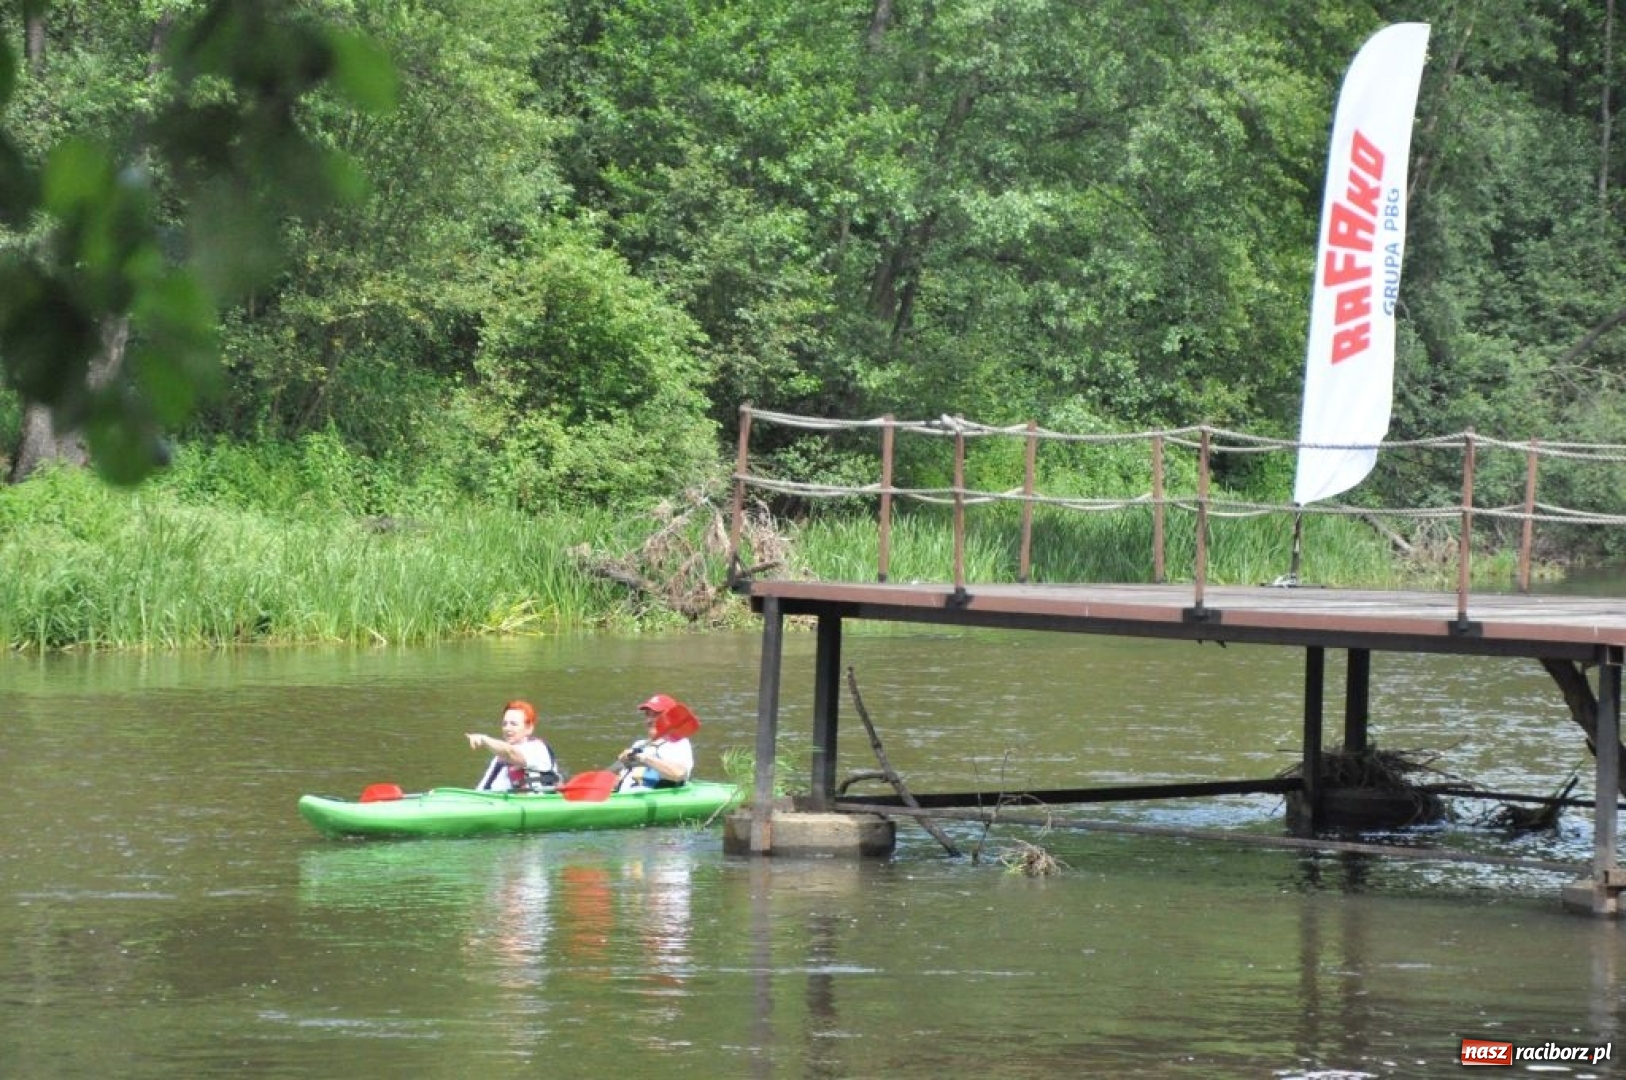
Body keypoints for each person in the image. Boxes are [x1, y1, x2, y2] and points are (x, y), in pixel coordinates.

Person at [466, 699, 564, 793]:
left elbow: (510, 753)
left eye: (513, 724)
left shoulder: (538, 749)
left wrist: (484, 739)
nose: (507, 728)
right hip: (494, 800)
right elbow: (480, 789)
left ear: (529, 728)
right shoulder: (499, 757)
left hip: (531, 801)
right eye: (504, 724)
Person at [613, 693, 695, 793]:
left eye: (656, 715)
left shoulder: (678, 743)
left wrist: (644, 758)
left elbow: (679, 774)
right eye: (647, 715)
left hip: (658, 796)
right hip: (625, 797)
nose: (649, 720)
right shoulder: (639, 744)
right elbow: (618, 780)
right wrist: (622, 763)